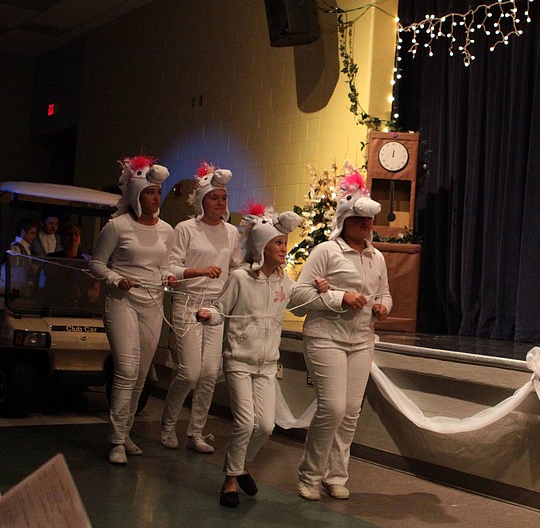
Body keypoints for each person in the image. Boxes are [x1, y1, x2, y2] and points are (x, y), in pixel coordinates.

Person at [196, 204, 327, 509]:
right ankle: (230, 479)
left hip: (267, 365)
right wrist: (208, 315)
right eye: (278, 243)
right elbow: (219, 309)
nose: (284, 248)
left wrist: (321, 291)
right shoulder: (241, 279)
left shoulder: (284, 281)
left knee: (266, 425)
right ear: (262, 247)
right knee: (245, 423)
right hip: (239, 361)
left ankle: (240, 465)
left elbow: (302, 305)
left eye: (285, 242)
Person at [289, 171, 392, 501]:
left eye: (370, 220)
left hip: (361, 341)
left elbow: (385, 295)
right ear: (345, 219)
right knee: (331, 408)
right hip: (325, 338)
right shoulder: (325, 252)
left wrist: (384, 308)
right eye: (360, 219)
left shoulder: (376, 257)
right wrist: (338, 298)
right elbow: (298, 298)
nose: (366, 225)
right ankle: (309, 474)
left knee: (349, 412)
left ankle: (336, 475)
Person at [89, 155, 175, 465]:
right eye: (149, 192)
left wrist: (169, 277)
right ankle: (115, 441)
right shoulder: (117, 226)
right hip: (121, 302)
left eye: (157, 192)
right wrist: (115, 278)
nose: (155, 197)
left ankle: (125, 433)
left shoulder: (167, 230)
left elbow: (165, 265)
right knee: (126, 369)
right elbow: (96, 264)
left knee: (140, 374)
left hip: (152, 303)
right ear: (135, 194)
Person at [160, 163, 242, 454]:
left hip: (216, 307)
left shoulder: (232, 232)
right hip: (187, 303)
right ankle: (168, 425)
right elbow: (170, 268)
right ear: (201, 200)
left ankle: (195, 432)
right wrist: (198, 272)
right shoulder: (186, 229)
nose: (220, 203)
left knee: (209, 373)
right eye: (214, 197)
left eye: (223, 198)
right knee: (189, 372)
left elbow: (236, 266)